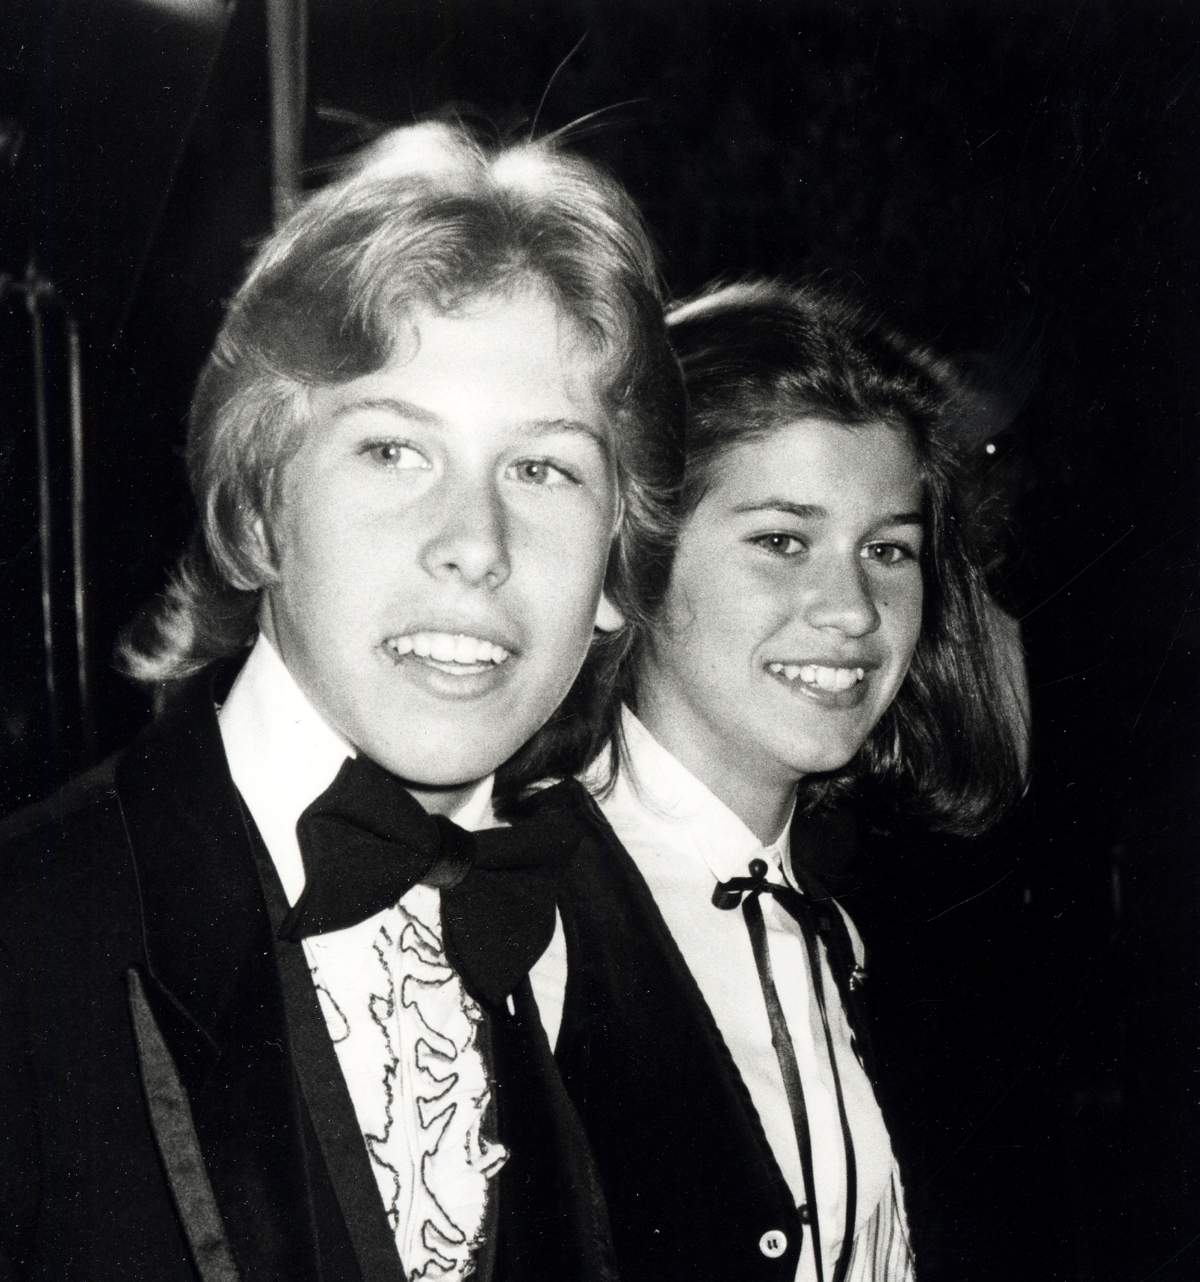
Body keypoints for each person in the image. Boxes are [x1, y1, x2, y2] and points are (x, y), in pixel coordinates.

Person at [0, 119, 684, 1281]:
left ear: (617, 575)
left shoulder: (600, 951)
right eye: (392, 452)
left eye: (543, 468)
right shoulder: (28, 941)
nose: (475, 544)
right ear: (260, 512)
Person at [526, 279, 1027, 1282]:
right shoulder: (522, 920)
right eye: (783, 541)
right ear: (640, 560)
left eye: (888, 549)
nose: (850, 607)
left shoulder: (844, 934)